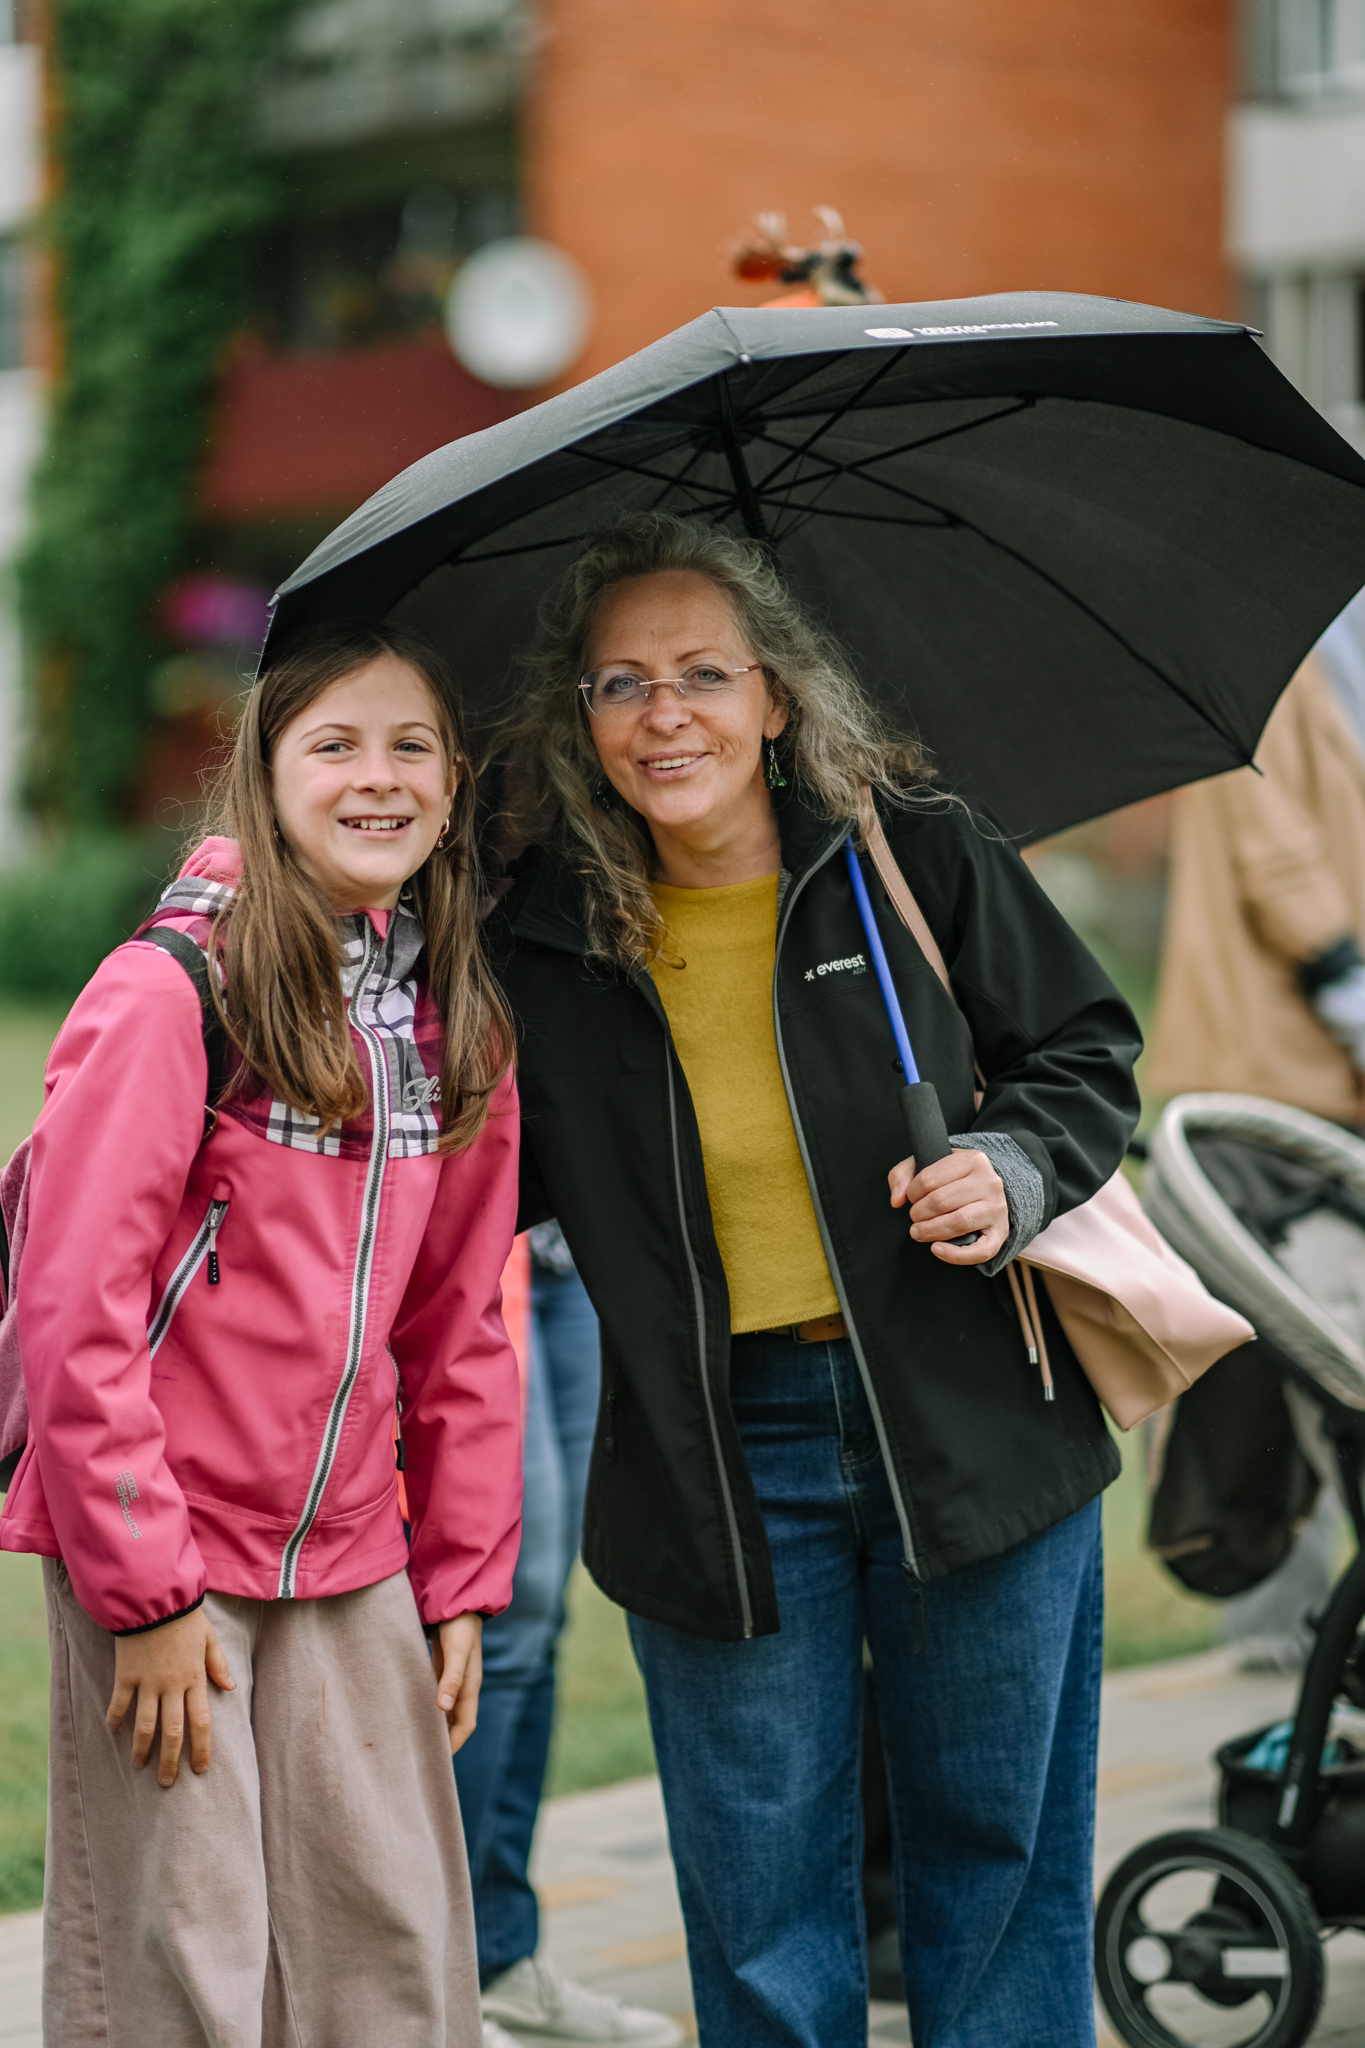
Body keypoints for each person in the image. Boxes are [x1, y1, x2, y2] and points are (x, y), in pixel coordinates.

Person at [487, 511, 1142, 2048]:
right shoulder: (545, 944)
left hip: (970, 1417)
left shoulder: (912, 852)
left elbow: (1083, 1052)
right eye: (621, 683)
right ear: (581, 718)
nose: (665, 716)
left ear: (777, 696)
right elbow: (478, 1183)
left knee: (997, 1869)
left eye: (704, 674)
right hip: (716, 1454)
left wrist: (1013, 1166)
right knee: (759, 1901)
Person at [0, 622, 523, 2047]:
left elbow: (462, 1323)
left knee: (389, 1934)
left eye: (411, 747)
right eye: (334, 745)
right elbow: (75, 1311)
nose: (378, 777)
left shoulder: (455, 1025)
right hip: (168, 1547)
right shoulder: (170, 991)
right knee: (189, 1945)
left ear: (455, 785)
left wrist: (460, 1575)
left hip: (353, 1546)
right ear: (265, 772)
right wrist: (145, 1596)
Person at [1149, 628, 1365, 1666]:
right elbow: (1269, 842)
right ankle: (1279, 1638)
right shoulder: (1266, 643)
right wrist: (1344, 982)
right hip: (1271, 1072)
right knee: (1287, 1366)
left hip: (1331, 1078)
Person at [460, 1224, 681, 2047]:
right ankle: (440, 1973)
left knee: (541, 1611)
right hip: (485, 1245)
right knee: (505, 1613)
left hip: (574, 1253)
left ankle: (499, 1956)